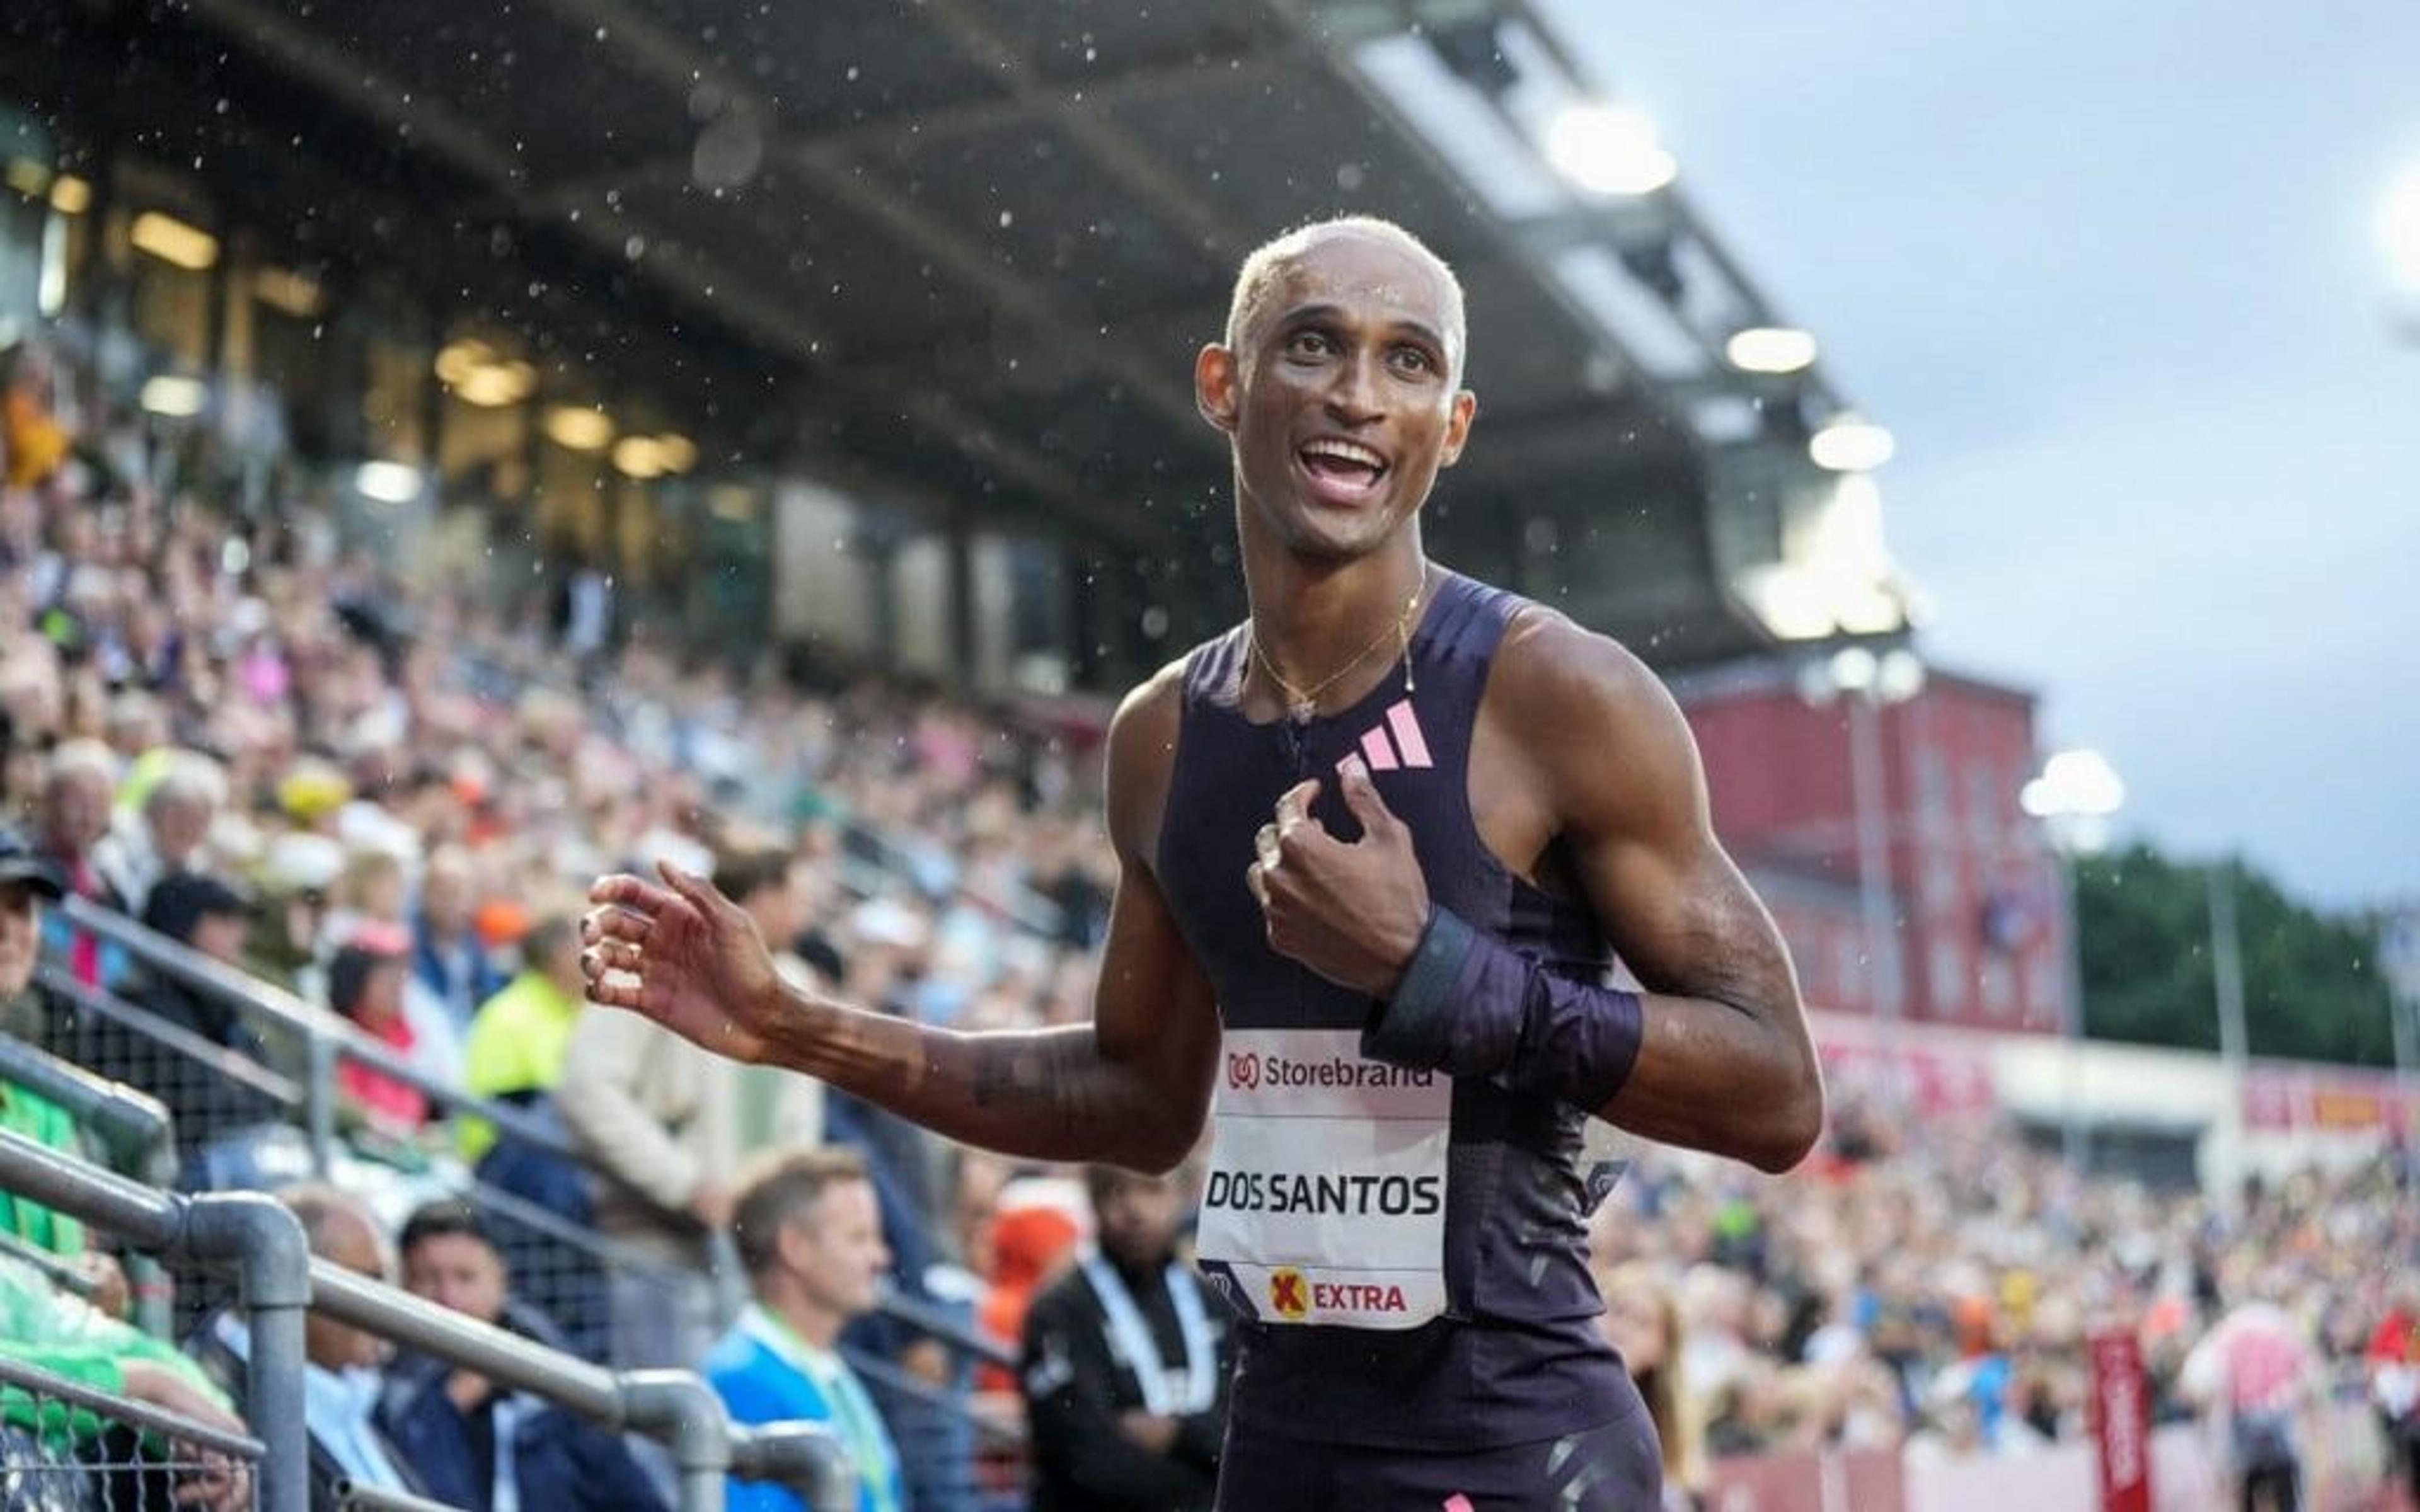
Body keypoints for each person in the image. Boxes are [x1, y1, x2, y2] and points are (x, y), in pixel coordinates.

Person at [584, 214, 1824, 1508]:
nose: (1357, 395)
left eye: (1408, 363)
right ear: (1224, 385)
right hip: (1281, 1444)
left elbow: (1778, 1092)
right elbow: (1137, 1098)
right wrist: (796, 1027)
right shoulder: (1165, 738)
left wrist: (1437, 970)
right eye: (1314, 345)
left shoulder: (1554, 692)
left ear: (1450, 429)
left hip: (1516, 1450)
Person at [376, 1199, 669, 1512]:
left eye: (465, 1277)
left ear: (500, 1278)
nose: (450, 1298)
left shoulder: (554, 1374)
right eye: (429, 1279)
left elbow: (633, 1496)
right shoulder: (376, 1387)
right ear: (403, 1284)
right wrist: (446, 1405)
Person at [189, 1183, 426, 1511]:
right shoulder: (208, 1397)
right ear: (291, 1277)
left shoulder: (357, 1397)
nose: (385, 1302)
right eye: (370, 1281)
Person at [702, 1147, 904, 1512]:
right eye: (859, 1237)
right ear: (794, 1247)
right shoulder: (739, 1377)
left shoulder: (832, 1371)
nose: (880, 1257)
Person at [1020, 1164, 1231, 1512]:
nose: (1135, 1209)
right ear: (1093, 1200)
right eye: (1116, 1191)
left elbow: (1241, 1435)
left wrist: (1176, 1434)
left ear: (1184, 1195)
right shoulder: (1059, 1311)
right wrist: (1202, 1480)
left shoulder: (1216, 1302)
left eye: (1152, 1189)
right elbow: (1083, 1455)